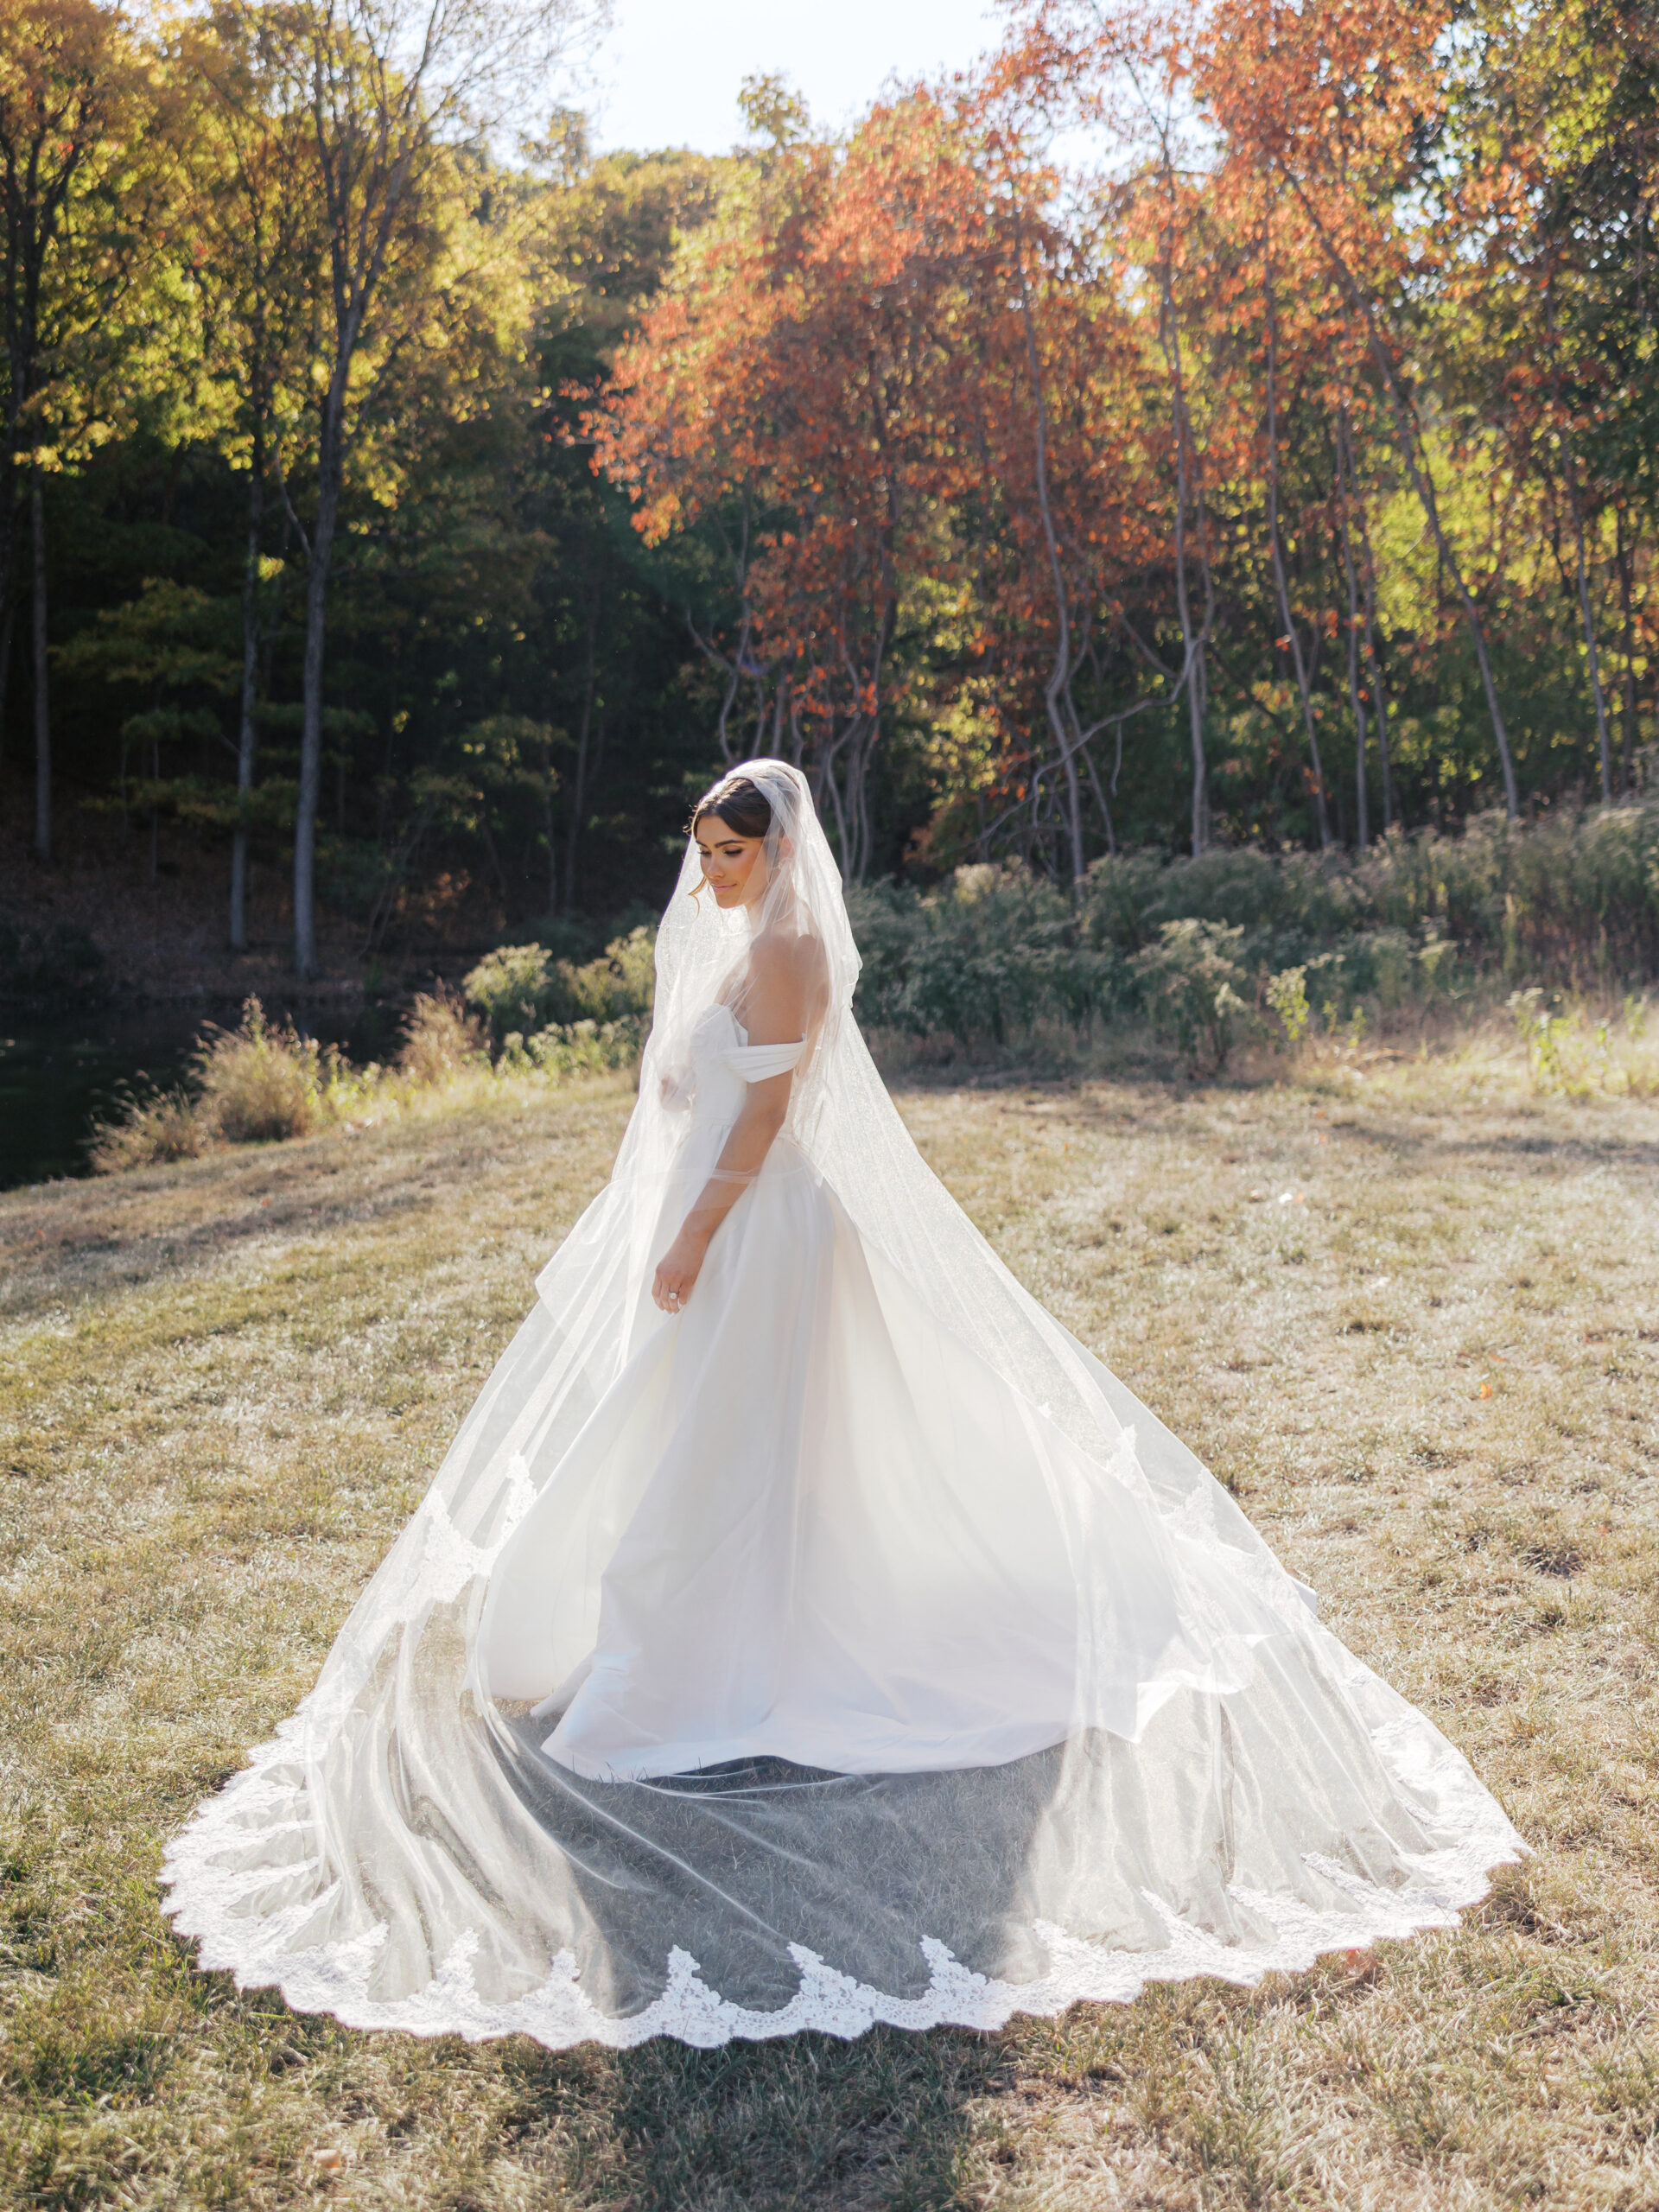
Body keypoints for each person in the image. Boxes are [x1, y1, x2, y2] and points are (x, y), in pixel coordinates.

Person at [163, 759, 1521, 2050]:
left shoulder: (794, 950)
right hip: (719, 1220)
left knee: (740, 1438)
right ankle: (677, 1612)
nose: (712, 877)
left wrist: (692, 1234)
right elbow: (708, 1087)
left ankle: (727, 1635)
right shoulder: (740, 943)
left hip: (761, 1227)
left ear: (782, 849)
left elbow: (761, 1125)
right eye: (703, 855)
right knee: (696, 1433)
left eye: (733, 853)